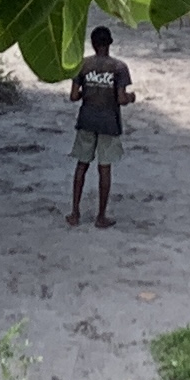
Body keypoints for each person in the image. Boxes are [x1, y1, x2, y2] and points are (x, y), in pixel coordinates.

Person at [68, 23, 134, 227]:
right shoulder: (119, 67)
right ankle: (101, 216)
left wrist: (86, 92)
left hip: (87, 119)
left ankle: (75, 213)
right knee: (104, 168)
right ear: (110, 43)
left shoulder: (82, 65)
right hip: (108, 121)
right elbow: (121, 98)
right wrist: (131, 98)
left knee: (81, 165)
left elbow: (73, 96)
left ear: (92, 44)